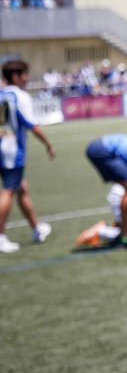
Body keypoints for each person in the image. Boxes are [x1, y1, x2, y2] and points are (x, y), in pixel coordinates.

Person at [0, 60, 56, 253]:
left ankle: (36, 229)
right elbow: (31, 124)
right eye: (25, 74)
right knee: (8, 190)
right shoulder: (19, 96)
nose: (28, 79)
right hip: (11, 149)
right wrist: (48, 144)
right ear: (15, 76)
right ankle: (0, 236)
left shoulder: (1, 94)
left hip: (2, 147)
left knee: (21, 187)